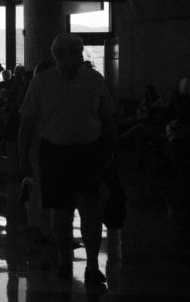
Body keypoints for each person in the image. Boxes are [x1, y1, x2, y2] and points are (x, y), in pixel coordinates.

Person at [18, 33, 117, 287]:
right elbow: (26, 122)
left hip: (82, 152)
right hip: (61, 152)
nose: (78, 57)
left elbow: (108, 120)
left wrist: (110, 152)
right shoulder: (44, 82)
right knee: (62, 213)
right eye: (74, 53)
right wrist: (23, 158)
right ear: (59, 56)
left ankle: (89, 264)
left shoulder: (91, 80)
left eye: (78, 52)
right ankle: (68, 260)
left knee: (88, 210)